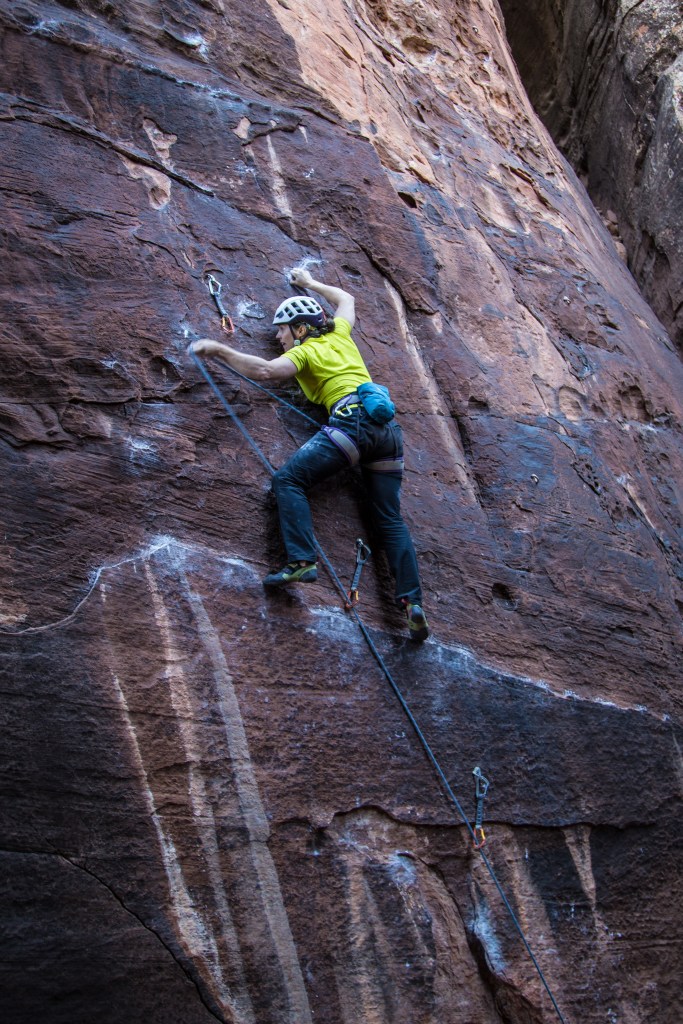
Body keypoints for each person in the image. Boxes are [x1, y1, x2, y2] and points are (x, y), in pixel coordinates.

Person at [191, 268, 429, 641]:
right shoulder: (340, 334)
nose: (278, 336)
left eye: (282, 329)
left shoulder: (306, 352)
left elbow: (267, 371)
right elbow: (346, 301)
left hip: (352, 423)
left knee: (289, 480)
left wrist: (217, 349)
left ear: (300, 329)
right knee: (390, 520)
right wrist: (310, 283)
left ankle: (301, 562)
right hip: (387, 432)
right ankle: (413, 603)